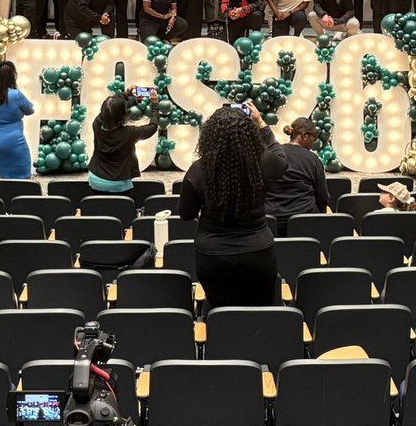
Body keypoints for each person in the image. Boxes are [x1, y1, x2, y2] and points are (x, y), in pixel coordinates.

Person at [179, 102, 288, 308]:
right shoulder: (263, 163)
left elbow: (186, 213)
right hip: (258, 252)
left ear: (209, 136)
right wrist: (262, 124)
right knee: (260, 313)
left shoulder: (198, 170)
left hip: (213, 256)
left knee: (221, 314)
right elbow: (281, 159)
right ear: (249, 135)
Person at [263, 117, 329, 235]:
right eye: (314, 137)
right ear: (304, 136)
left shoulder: (273, 153)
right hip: (305, 223)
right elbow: (323, 197)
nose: (314, 141)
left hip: (271, 222)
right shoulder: (313, 159)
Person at [88, 90, 161, 193]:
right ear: (124, 115)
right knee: (123, 207)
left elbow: (108, 111)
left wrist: (125, 95)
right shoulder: (129, 133)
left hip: (96, 180)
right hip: (120, 185)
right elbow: (152, 127)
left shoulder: (96, 125)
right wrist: (155, 106)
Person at [0, 61, 35, 178]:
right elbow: (30, 110)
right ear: (13, 76)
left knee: (5, 173)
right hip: (14, 141)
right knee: (23, 175)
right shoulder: (16, 95)